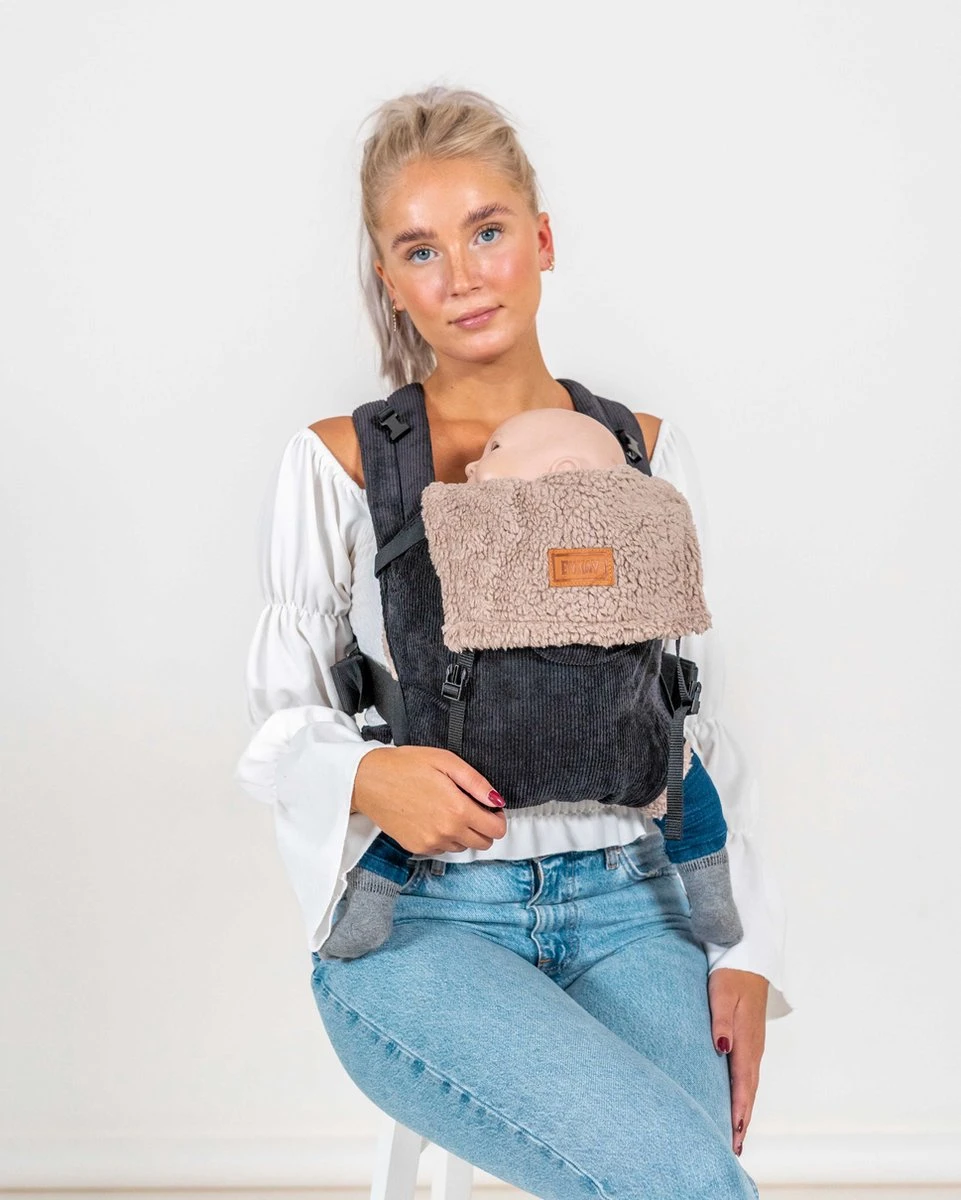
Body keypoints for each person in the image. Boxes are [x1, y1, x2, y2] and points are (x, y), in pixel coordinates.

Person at [234, 85, 793, 1200]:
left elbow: (692, 719)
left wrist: (746, 951)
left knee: (685, 1176)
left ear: (540, 239)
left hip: (637, 902)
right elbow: (279, 725)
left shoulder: (641, 451)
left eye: (485, 231)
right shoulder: (342, 463)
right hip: (423, 918)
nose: (461, 275)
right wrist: (368, 775)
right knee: (681, 1181)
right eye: (420, 250)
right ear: (389, 279)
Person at [322, 405, 744, 961]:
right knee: (680, 785)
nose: (470, 467)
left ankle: (715, 898)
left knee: (683, 778)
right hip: (458, 885)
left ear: (565, 473)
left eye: (494, 451)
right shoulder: (399, 488)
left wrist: (743, 961)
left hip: (627, 886)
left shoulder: (646, 507)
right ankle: (373, 895)